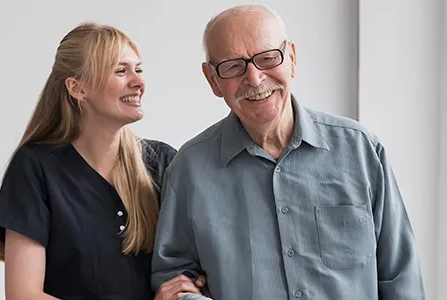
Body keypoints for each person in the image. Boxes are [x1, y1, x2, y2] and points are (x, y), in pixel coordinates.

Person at [151, 5, 425, 300]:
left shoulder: (361, 150)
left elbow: (401, 278)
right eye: (233, 66)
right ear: (213, 80)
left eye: (268, 58)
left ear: (291, 58)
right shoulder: (189, 168)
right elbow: (174, 275)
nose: (255, 79)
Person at [0, 22, 205, 300]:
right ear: (78, 89)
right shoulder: (36, 168)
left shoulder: (162, 163)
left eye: (138, 69)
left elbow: (196, 266)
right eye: (120, 70)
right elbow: (23, 295)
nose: (139, 82)